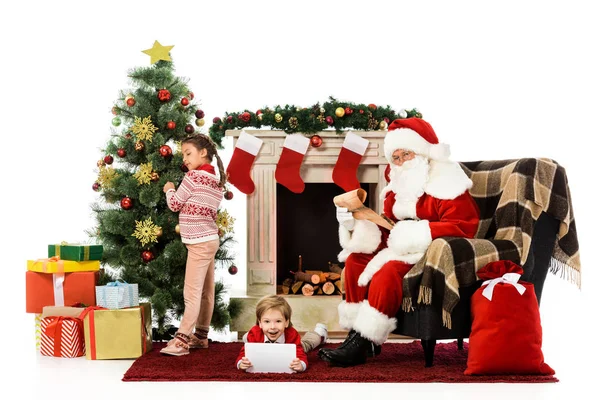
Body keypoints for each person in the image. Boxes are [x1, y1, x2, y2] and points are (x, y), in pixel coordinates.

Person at [319, 118, 480, 367]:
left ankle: (363, 340)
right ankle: (357, 334)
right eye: (396, 157)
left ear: (422, 153)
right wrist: (355, 224)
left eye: (407, 154)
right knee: (354, 261)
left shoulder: (447, 184)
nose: (402, 162)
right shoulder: (397, 190)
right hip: (399, 246)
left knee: (388, 271)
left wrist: (415, 233)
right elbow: (389, 228)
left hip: (428, 253)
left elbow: (464, 226)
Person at [160, 134, 227, 356]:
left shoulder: (193, 177)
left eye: (188, 153)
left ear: (203, 153)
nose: (185, 159)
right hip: (210, 240)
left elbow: (175, 204)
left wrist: (169, 188)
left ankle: (181, 340)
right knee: (207, 292)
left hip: (198, 242)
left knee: (192, 292)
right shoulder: (216, 181)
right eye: (184, 155)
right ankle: (201, 336)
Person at [236, 295, 327, 372]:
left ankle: (319, 333)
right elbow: (243, 354)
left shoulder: (292, 334)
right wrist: (241, 363)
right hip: (257, 335)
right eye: (267, 321)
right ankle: (247, 337)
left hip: (289, 342)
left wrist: (301, 365)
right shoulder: (255, 333)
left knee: (306, 345)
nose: (272, 327)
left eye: (278, 321)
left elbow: (300, 355)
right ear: (260, 323)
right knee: (252, 338)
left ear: (286, 322)